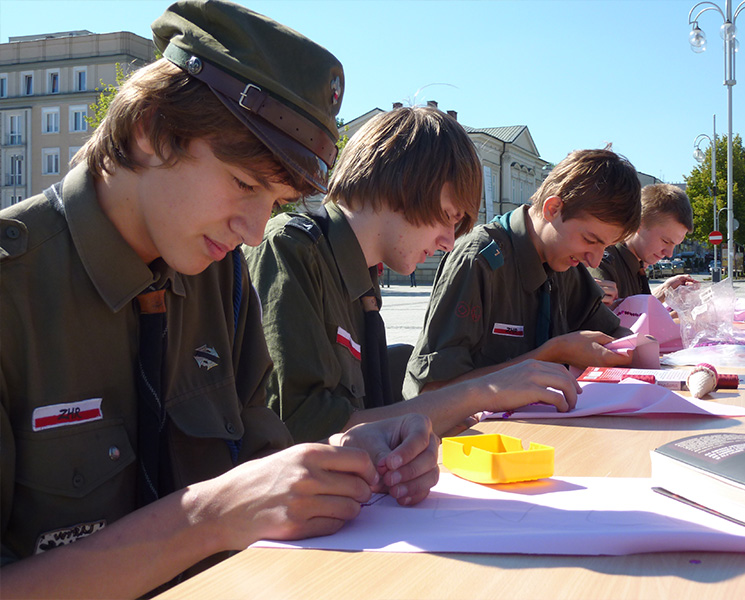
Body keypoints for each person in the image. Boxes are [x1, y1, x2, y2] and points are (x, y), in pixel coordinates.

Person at [0, 2, 438, 597]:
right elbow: (222, 508)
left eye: (275, 203)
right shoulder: (14, 292)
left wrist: (346, 458)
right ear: (152, 130)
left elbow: (252, 468)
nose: (255, 232)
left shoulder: (220, 279)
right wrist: (203, 520)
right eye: (244, 183)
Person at [244, 107, 581, 443]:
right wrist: (481, 392)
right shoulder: (290, 250)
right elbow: (304, 433)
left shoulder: (358, 275)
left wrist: (437, 419)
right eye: (447, 216)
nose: (449, 243)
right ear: (404, 185)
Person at [403, 147, 642, 398]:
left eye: (605, 247)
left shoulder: (565, 262)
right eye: (590, 240)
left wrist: (632, 346)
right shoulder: (479, 260)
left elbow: (611, 331)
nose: (594, 259)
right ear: (553, 209)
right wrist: (550, 354)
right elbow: (434, 392)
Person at [589, 183, 696, 305]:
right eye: (665, 241)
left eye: (675, 244)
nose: (669, 253)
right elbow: (614, 315)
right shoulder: (602, 263)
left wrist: (666, 291)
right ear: (638, 224)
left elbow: (633, 310)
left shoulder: (635, 265)